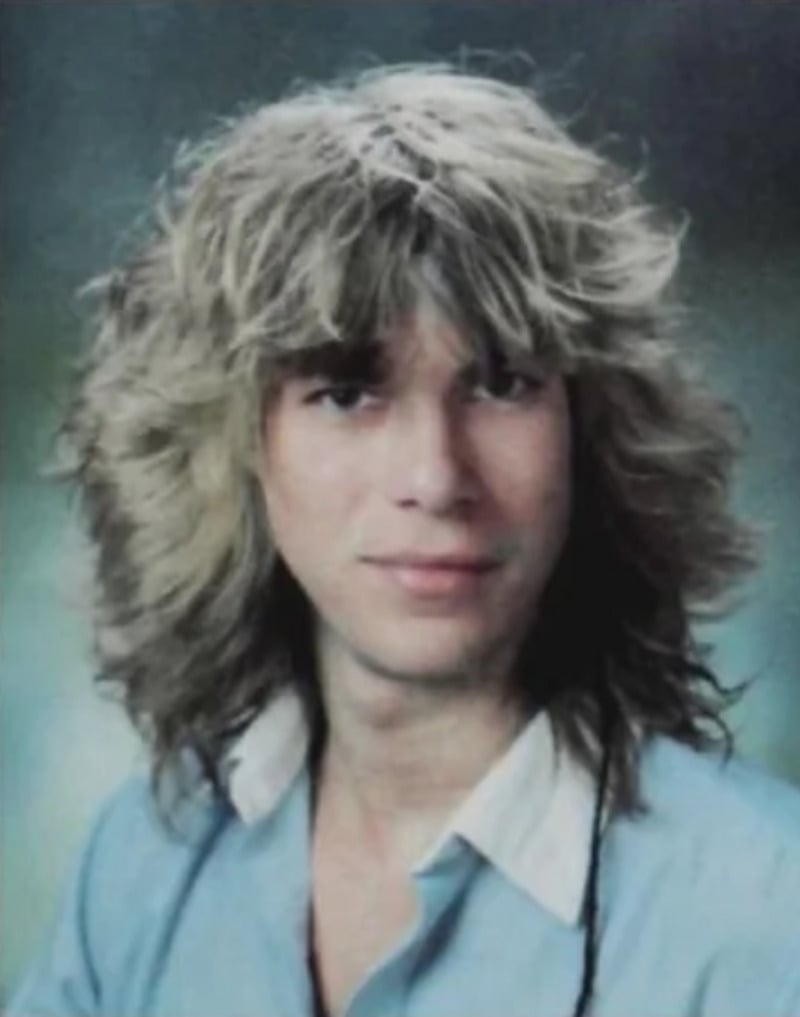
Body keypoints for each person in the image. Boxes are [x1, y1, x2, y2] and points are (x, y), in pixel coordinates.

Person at [10, 62, 800, 1017]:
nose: (435, 477)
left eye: (502, 383)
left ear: (593, 434)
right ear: (232, 446)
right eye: (347, 393)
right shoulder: (142, 863)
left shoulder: (764, 910)